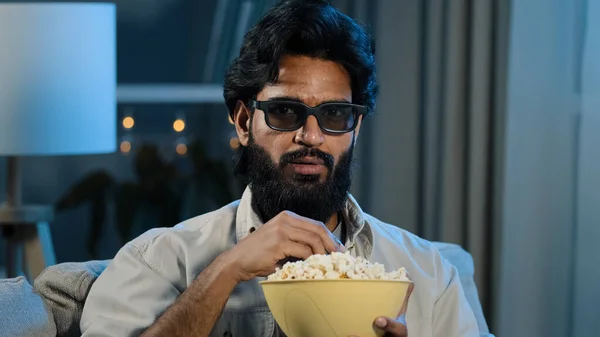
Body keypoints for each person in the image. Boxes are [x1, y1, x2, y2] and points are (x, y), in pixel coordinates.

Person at [80, 1, 488, 336]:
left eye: (335, 115)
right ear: (243, 122)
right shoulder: (159, 260)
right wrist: (225, 270)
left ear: (356, 127)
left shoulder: (431, 274)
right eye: (285, 111)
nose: (311, 136)